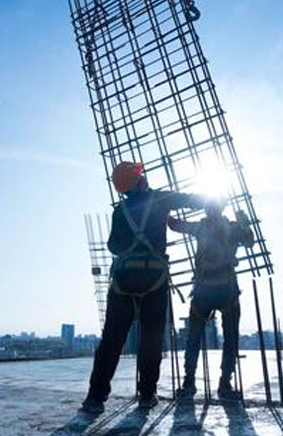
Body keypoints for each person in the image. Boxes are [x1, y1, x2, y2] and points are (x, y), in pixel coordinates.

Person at [80, 162, 206, 414]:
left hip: (123, 283)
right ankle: (147, 395)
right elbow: (191, 200)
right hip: (153, 281)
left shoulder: (120, 211)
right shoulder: (159, 199)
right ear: (138, 180)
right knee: (150, 340)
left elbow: (113, 247)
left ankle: (95, 398)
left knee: (111, 342)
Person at [168, 200, 254, 400]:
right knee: (229, 338)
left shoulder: (202, 227)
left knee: (194, 339)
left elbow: (174, 225)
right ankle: (224, 384)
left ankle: (189, 382)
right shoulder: (231, 228)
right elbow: (250, 242)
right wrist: (244, 223)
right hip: (224, 290)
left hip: (205, 291)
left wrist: (162, 208)